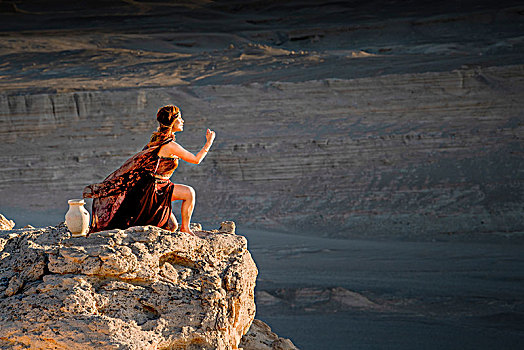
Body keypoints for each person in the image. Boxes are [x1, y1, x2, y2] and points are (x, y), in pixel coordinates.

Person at [82, 105, 215, 235]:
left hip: (156, 187)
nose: (183, 121)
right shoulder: (169, 145)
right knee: (189, 193)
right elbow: (196, 160)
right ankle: (185, 228)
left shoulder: (157, 140)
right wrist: (208, 142)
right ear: (173, 122)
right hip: (155, 190)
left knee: (171, 226)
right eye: (179, 118)